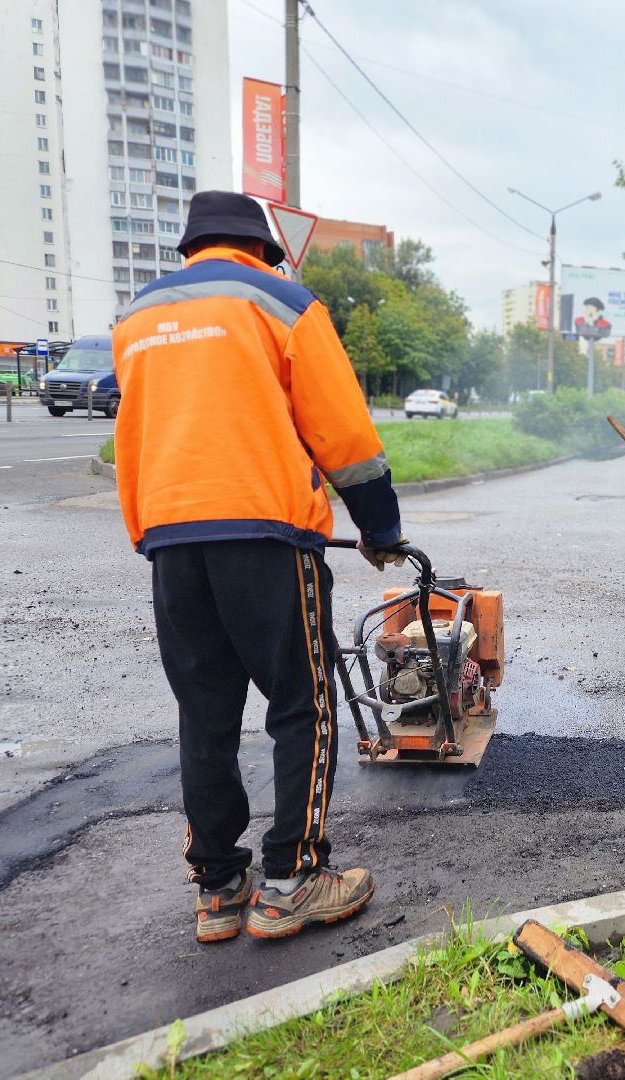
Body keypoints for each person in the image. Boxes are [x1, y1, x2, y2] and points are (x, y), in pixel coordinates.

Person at [111, 191, 410, 942]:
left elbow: (134, 433)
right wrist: (380, 527)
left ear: (191, 248)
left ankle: (218, 888)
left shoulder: (137, 318)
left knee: (205, 713)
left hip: (171, 538)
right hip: (266, 533)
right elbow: (343, 434)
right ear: (262, 250)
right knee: (302, 704)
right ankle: (293, 879)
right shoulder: (281, 303)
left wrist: (151, 532)